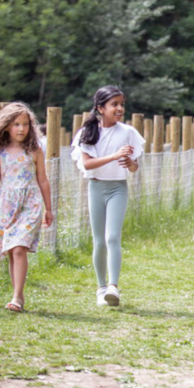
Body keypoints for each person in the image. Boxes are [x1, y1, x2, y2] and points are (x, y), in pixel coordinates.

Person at [72, 85, 144, 307]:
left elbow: (133, 168)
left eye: (122, 104)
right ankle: (101, 288)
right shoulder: (87, 133)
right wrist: (114, 156)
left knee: (113, 237)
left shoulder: (129, 132)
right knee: (99, 241)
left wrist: (131, 163)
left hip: (117, 188)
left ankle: (113, 287)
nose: (120, 108)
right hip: (96, 188)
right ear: (101, 108)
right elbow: (87, 164)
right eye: (115, 104)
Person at [0, 102, 54, 312]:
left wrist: (48, 209)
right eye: (15, 124)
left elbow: (43, 180)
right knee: (13, 250)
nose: (21, 129)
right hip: (7, 205)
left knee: (20, 247)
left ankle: (17, 297)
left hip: (31, 204)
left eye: (25, 124)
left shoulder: (35, 150)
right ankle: (17, 294)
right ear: (6, 126)